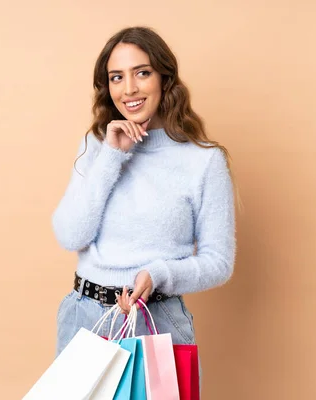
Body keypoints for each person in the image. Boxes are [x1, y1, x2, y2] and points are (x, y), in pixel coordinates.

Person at [51, 26, 237, 358]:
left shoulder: (204, 160)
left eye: (142, 73)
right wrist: (112, 156)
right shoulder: (96, 146)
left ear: (165, 79)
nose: (129, 89)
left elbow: (218, 262)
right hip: (85, 319)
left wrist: (160, 274)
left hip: (157, 320)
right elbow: (70, 235)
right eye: (117, 77)